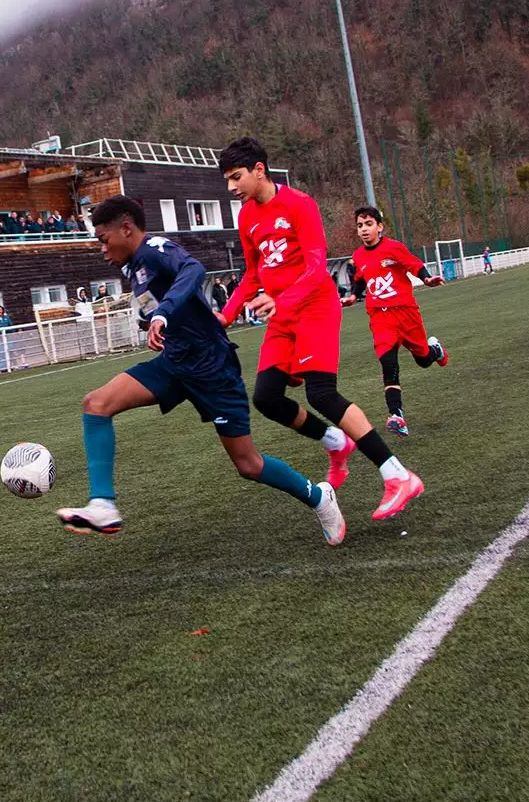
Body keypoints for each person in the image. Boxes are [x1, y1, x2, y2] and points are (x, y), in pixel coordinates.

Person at [56, 195, 345, 543]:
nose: (102, 250)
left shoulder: (155, 248)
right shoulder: (132, 266)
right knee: (96, 403)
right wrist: (152, 321)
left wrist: (163, 314)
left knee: (249, 465)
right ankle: (102, 505)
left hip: (212, 367)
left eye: (104, 240)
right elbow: (159, 302)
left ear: (127, 229)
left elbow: (193, 270)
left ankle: (319, 497)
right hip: (175, 363)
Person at [217, 137, 424, 522]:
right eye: (227, 179)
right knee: (266, 398)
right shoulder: (246, 217)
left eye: (236, 177)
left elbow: (316, 267)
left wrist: (282, 300)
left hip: (314, 307)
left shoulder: (300, 204)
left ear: (259, 170)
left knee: (322, 393)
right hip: (282, 316)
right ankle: (335, 442)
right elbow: (252, 275)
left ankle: (397, 475)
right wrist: (224, 318)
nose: (231, 186)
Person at [343, 205, 450, 437]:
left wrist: (427, 278)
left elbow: (414, 264)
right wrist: (353, 296)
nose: (364, 229)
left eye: (368, 224)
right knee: (388, 364)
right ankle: (396, 415)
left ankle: (435, 350)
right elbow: (360, 279)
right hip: (380, 318)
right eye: (360, 225)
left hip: (406, 314)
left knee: (423, 360)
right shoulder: (358, 255)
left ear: (380, 227)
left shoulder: (394, 247)